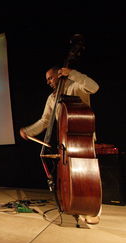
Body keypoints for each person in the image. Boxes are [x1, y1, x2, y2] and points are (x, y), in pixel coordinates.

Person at [20, 66, 101, 224]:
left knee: (87, 177)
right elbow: (45, 121)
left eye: (50, 78)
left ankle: (91, 208)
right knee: (70, 176)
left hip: (83, 139)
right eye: (47, 80)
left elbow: (94, 87)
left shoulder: (75, 86)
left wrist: (72, 73)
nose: (48, 82)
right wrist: (28, 131)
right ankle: (74, 203)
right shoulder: (51, 98)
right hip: (65, 143)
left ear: (59, 74)